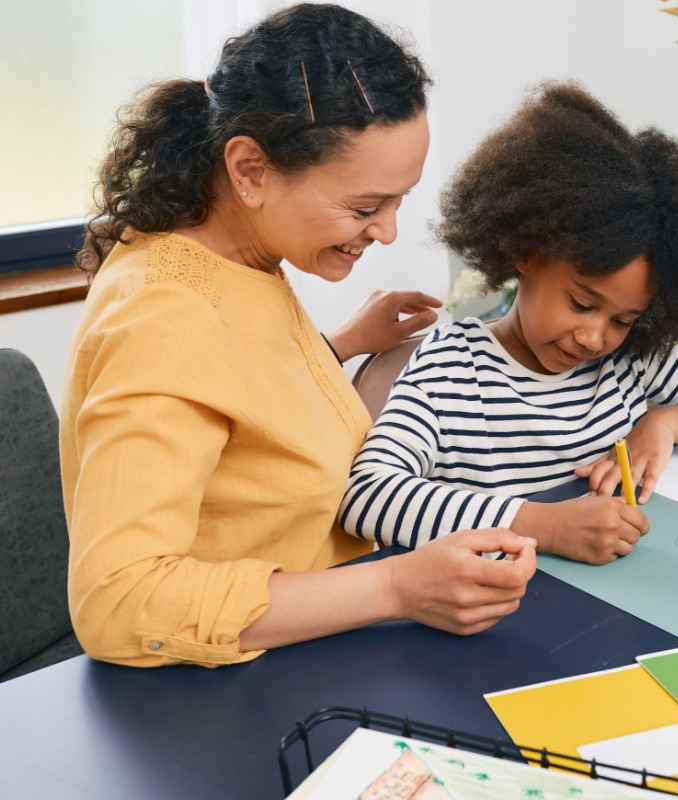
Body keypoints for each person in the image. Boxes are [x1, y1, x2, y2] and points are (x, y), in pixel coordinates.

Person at [60, 3, 536, 669]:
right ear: (251, 171)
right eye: (366, 208)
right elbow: (119, 603)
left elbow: (231, 396)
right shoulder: (164, 317)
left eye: (399, 200)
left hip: (317, 649)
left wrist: (336, 344)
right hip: (225, 696)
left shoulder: (233, 262)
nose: (387, 231)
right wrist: (398, 586)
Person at [339, 83, 678, 566]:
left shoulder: (628, 358)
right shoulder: (450, 368)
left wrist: (667, 423)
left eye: (624, 319)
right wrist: (544, 525)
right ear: (528, 253)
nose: (595, 337)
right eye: (580, 302)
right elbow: (366, 497)